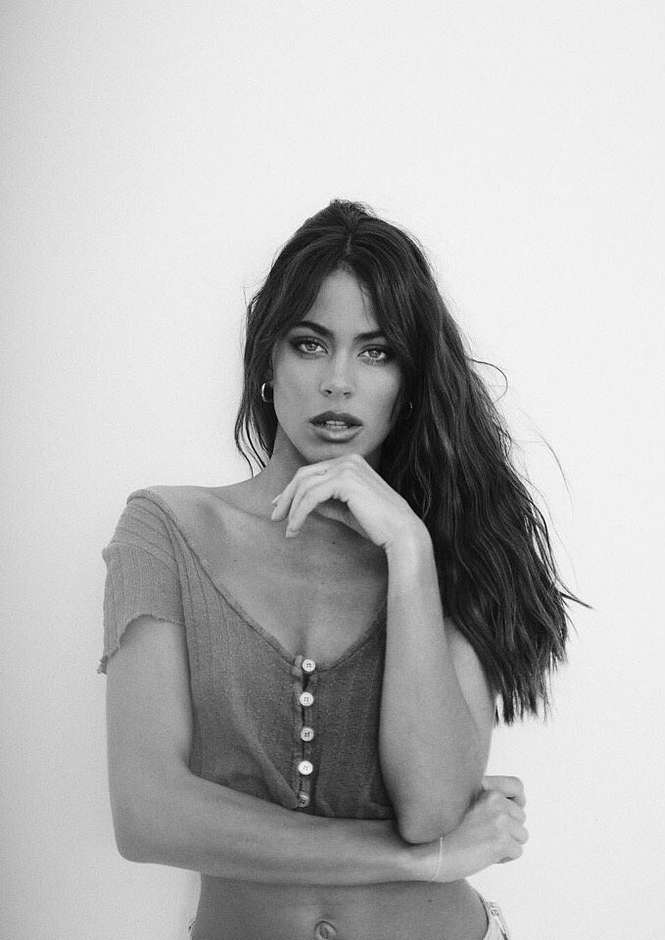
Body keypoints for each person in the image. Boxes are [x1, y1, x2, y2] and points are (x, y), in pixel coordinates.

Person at [99, 199, 578, 940]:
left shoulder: (452, 547)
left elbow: (432, 809)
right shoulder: (165, 531)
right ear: (267, 361)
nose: (339, 382)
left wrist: (410, 551)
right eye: (310, 344)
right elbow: (148, 815)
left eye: (376, 352)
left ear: (410, 381)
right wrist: (417, 861)